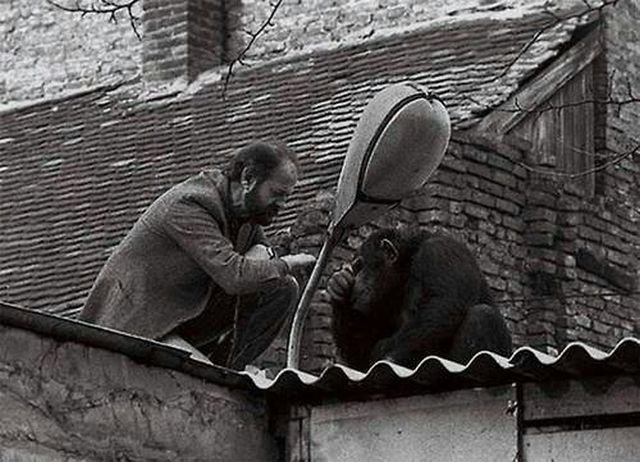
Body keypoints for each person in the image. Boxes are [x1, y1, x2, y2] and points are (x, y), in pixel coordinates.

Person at [80, 141, 316, 369]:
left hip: (177, 321)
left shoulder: (246, 216)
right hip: (135, 325)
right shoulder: (190, 204)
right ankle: (218, 376)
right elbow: (235, 276)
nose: (282, 204)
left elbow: (261, 271)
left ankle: (229, 371)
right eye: (277, 193)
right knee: (269, 269)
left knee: (281, 288)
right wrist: (287, 262)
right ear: (248, 179)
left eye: (287, 196)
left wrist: (274, 260)